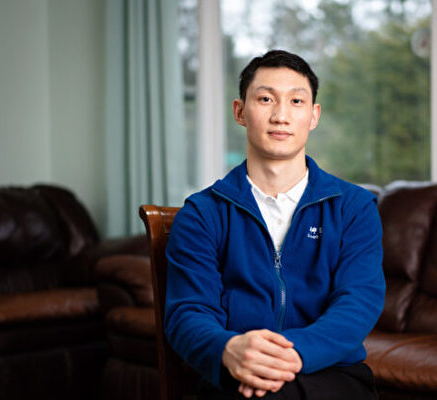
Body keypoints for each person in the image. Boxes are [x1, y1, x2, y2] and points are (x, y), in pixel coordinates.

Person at [165, 50, 385, 399]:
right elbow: (188, 311)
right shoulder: (202, 213)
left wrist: (291, 354)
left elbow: (358, 302)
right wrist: (229, 349)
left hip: (333, 374)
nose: (281, 116)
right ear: (240, 111)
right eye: (266, 99)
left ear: (313, 115)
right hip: (238, 372)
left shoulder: (354, 207)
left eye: (296, 101)